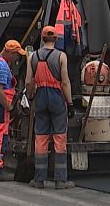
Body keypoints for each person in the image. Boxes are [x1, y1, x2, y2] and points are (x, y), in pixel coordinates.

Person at [25, 26, 75, 189]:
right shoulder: (61, 56)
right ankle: (60, 180)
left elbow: (28, 82)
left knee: (41, 138)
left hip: (40, 98)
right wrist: (70, 103)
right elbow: (65, 82)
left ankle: (39, 179)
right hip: (56, 98)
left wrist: (31, 96)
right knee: (59, 138)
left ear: (42, 38)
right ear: (55, 39)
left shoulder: (32, 56)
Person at [0, 40, 26, 182]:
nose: (17, 59)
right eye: (16, 55)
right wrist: (9, 106)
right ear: (9, 52)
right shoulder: (2, 66)